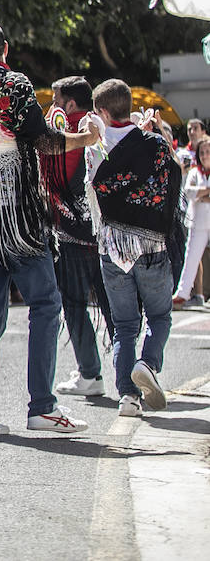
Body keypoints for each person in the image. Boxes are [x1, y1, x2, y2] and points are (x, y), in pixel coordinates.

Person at [0, 17, 98, 436]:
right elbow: (43, 141)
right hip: (15, 208)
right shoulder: (13, 84)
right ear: (6, 49)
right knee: (46, 303)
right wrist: (83, 139)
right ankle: (42, 406)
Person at [85, 82, 183, 416]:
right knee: (159, 316)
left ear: (101, 111)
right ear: (129, 107)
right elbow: (171, 175)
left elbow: (94, 190)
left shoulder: (95, 148)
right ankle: (148, 363)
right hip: (151, 242)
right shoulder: (154, 144)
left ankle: (128, 397)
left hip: (112, 245)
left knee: (125, 325)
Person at [41, 76, 115, 399]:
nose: (53, 106)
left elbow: (53, 178)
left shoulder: (72, 130)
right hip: (106, 234)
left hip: (73, 233)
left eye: (57, 100)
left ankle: (90, 373)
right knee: (114, 304)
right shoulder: (102, 127)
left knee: (73, 303)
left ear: (70, 104)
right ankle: (131, 373)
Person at [175, 137, 210, 306]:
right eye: (202, 152)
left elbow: (196, 195)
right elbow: (188, 192)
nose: (204, 155)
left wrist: (201, 195)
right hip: (198, 221)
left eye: (207, 152)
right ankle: (182, 293)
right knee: (191, 257)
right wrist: (206, 192)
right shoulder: (195, 172)